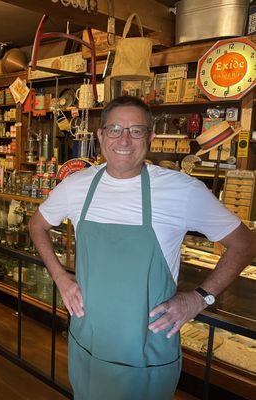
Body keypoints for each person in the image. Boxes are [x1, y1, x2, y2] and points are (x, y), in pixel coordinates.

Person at [28, 96, 256, 400]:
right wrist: (60, 277)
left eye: (136, 131)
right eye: (114, 130)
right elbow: (36, 225)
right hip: (89, 341)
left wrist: (200, 298)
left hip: (147, 351)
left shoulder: (182, 190)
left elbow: (244, 243)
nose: (124, 139)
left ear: (149, 137)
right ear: (100, 136)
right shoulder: (76, 185)